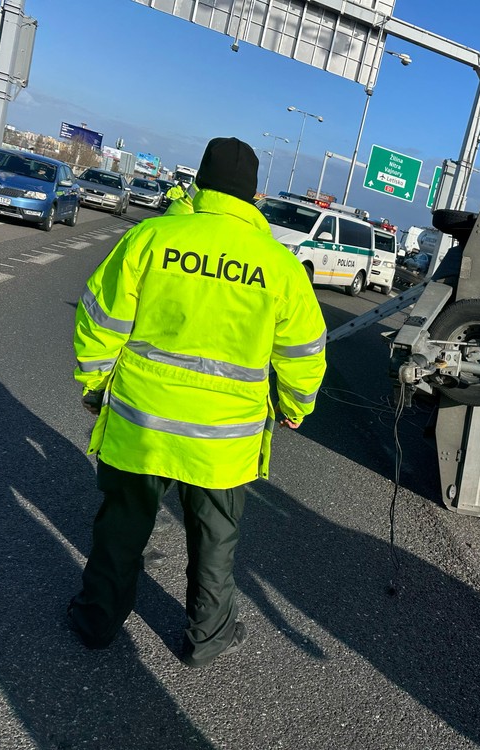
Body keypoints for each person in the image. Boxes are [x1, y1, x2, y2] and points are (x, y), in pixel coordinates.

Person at [68, 137, 327, 668]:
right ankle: (207, 639)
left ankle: (97, 623)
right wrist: (297, 405)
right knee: (215, 541)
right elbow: (304, 350)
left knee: (121, 528)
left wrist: (95, 384)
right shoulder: (278, 265)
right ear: (253, 196)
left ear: (200, 182)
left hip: (142, 422)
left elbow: (99, 317)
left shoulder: (152, 237)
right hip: (223, 441)